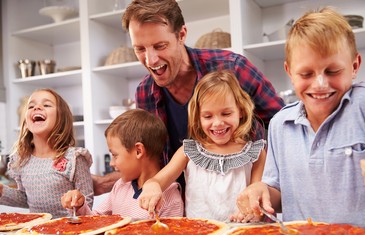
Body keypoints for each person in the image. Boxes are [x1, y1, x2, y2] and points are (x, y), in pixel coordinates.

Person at [92, 0, 284, 195]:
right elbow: (149, 163)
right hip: (185, 210)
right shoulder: (145, 92)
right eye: (140, 49)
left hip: (247, 207)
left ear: (182, 34)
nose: (151, 60)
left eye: (160, 46)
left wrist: (264, 184)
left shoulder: (233, 68)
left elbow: (285, 128)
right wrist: (103, 184)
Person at [233, 7, 365, 225]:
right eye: (306, 74)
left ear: (354, 66)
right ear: (289, 72)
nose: (320, 84)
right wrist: (262, 191)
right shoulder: (280, 124)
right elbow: (279, 196)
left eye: (332, 71)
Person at [139, 70, 266, 221]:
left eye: (226, 114)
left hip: (241, 234)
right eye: (208, 116)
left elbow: (257, 197)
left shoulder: (256, 153)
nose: (218, 123)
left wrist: (253, 212)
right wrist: (152, 186)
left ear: (240, 111)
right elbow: (157, 181)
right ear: (198, 117)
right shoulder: (187, 152)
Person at [61, 109, 183, 219]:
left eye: (115, 155)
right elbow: (95, 220)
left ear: (138, 151)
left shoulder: (170, 197)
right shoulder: (120, 186)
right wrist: (80, 205)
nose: (112, 163)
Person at [0, 88, 94, 218]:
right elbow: (25, 198)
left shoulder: (74, 158)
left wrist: (78, 201)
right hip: (36, 233)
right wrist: (1, 192)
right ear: (26, 122)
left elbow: (87, 206)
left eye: (46, 105)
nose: (37, 107)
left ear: (61, 119)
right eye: (31, 106)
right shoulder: (21, 159)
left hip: (68, 232)